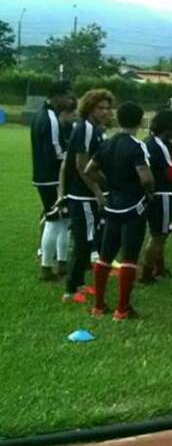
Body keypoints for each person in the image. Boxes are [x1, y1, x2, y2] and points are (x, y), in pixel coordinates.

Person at [84, 102, 154, 320]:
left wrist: (109, 184)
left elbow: (89, 170)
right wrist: (149, 193)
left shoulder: (107, 144)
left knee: (105, 255)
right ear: (140, 121)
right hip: (132, 207)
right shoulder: (137, 145)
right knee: (129, 257)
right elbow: (145, 178)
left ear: (118, 119)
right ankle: (122, 309)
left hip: (112, 205)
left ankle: (98, 306)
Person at [60, 89, 114, 302]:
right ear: (89, 108)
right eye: (100, 108)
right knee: (83, 242)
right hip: (82, 196)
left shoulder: (95, 129)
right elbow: (81, 165)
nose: (105, 112)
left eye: (108, 108)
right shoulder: (86, 129)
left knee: (88, 240)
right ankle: (70, 291)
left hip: (87, 195)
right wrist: (98, 192)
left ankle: (80, 284)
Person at [32, 81, 73, 280]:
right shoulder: (50, 118)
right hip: (52, 178)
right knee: (54, 222)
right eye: (67, 96)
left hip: (43, 176)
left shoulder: (41, 115)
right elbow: (56, 151)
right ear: (57, 96)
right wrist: (73, 158)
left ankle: (61, 264)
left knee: (62, 221)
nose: (70, 100)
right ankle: (47, 268)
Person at [140, 110, 172, 284]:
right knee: (159, 235)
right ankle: (147, 274)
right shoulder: (160, 146)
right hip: (162, 193)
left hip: (149, 194)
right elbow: (171, 174)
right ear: (168, 128)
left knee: (158, 232)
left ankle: (160, 267)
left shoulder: (146, 142)